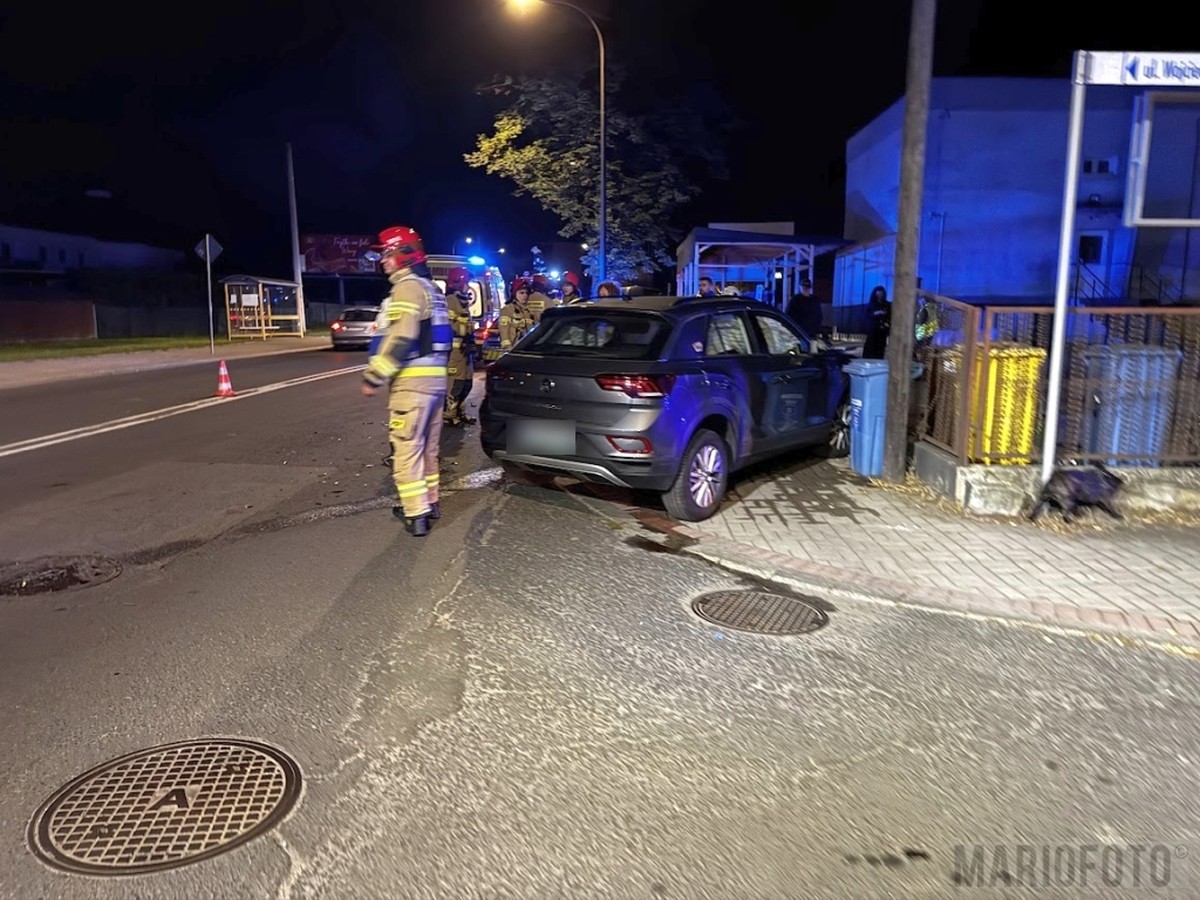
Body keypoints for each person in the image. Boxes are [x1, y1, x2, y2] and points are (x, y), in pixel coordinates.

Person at [361, 224, 452, 538]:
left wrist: (375, 375)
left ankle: (415, 513)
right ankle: (431, 502)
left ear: (404, 254)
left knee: (407, 449)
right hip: (436, 383)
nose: (383, 260)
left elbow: (402, 336)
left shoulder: (407, 288)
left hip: (411, 384)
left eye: (387, 253)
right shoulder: (433, 291)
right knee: (428, 448)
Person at [443, 266, 477, 427]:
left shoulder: (463, 301)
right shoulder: (451, 300)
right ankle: (450, 414)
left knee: (467, 383)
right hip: (456, 351)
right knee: (455, 384)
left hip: (465, 349)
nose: (468, 285)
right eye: (467, 282)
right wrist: (464, 334)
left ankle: (460, 411)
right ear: (459, 282)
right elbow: (449, 325)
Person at [499, 277, 536, 350]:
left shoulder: (529, 311)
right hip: (513, 349)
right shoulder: (508, 310)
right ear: (514, 294)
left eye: (527, 293)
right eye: (521, 293)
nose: (525, 295)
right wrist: (507, 347)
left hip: (527, 349)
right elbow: (504, 330)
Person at [862, 284, 891, 359]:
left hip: (882, 331)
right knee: (870, 348)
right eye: (878, 294)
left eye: (881, 294)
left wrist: (887, 324)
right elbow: (867, 316)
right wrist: (876, 314)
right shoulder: (870, 305)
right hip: (873, 330)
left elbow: (890, 315)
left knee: (880, 348)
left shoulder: (887, 305)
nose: (880, 296)